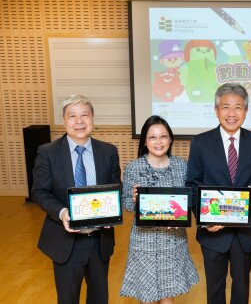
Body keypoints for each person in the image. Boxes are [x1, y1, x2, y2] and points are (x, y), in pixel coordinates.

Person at [186, 83, 251, 304]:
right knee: (214, 288)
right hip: (213, 232)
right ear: (216, 111)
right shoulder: (200, 143)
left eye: (238, 108)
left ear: (246, 112)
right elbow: (193, 184)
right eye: (225, 107)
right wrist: (204, 221)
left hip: (246, 232)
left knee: (241, 287)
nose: (231, 114)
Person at [31, 94, 121, 304]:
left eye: (84, 115)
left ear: (92, 119)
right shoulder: (48, 152)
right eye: (72, 116)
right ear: (64, 121)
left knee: (99, 298)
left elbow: (115, 188)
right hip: (65, 241)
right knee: (68, 299)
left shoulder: (108, 151)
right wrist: (62, 213)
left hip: (99, 240)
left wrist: (111, 213)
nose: (79, 121)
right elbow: (39, 192)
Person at [119, 115, 199, 304]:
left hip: (172, 240)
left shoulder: (182, 166)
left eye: (163, 136)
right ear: (145, 142)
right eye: (152, 137)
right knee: (147, 295)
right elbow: (127, 205)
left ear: (170, 139)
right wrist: (134, 198)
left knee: (167, 293)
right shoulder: (133, 167)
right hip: (143, 241)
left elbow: (188, 201)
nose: (158, 142)